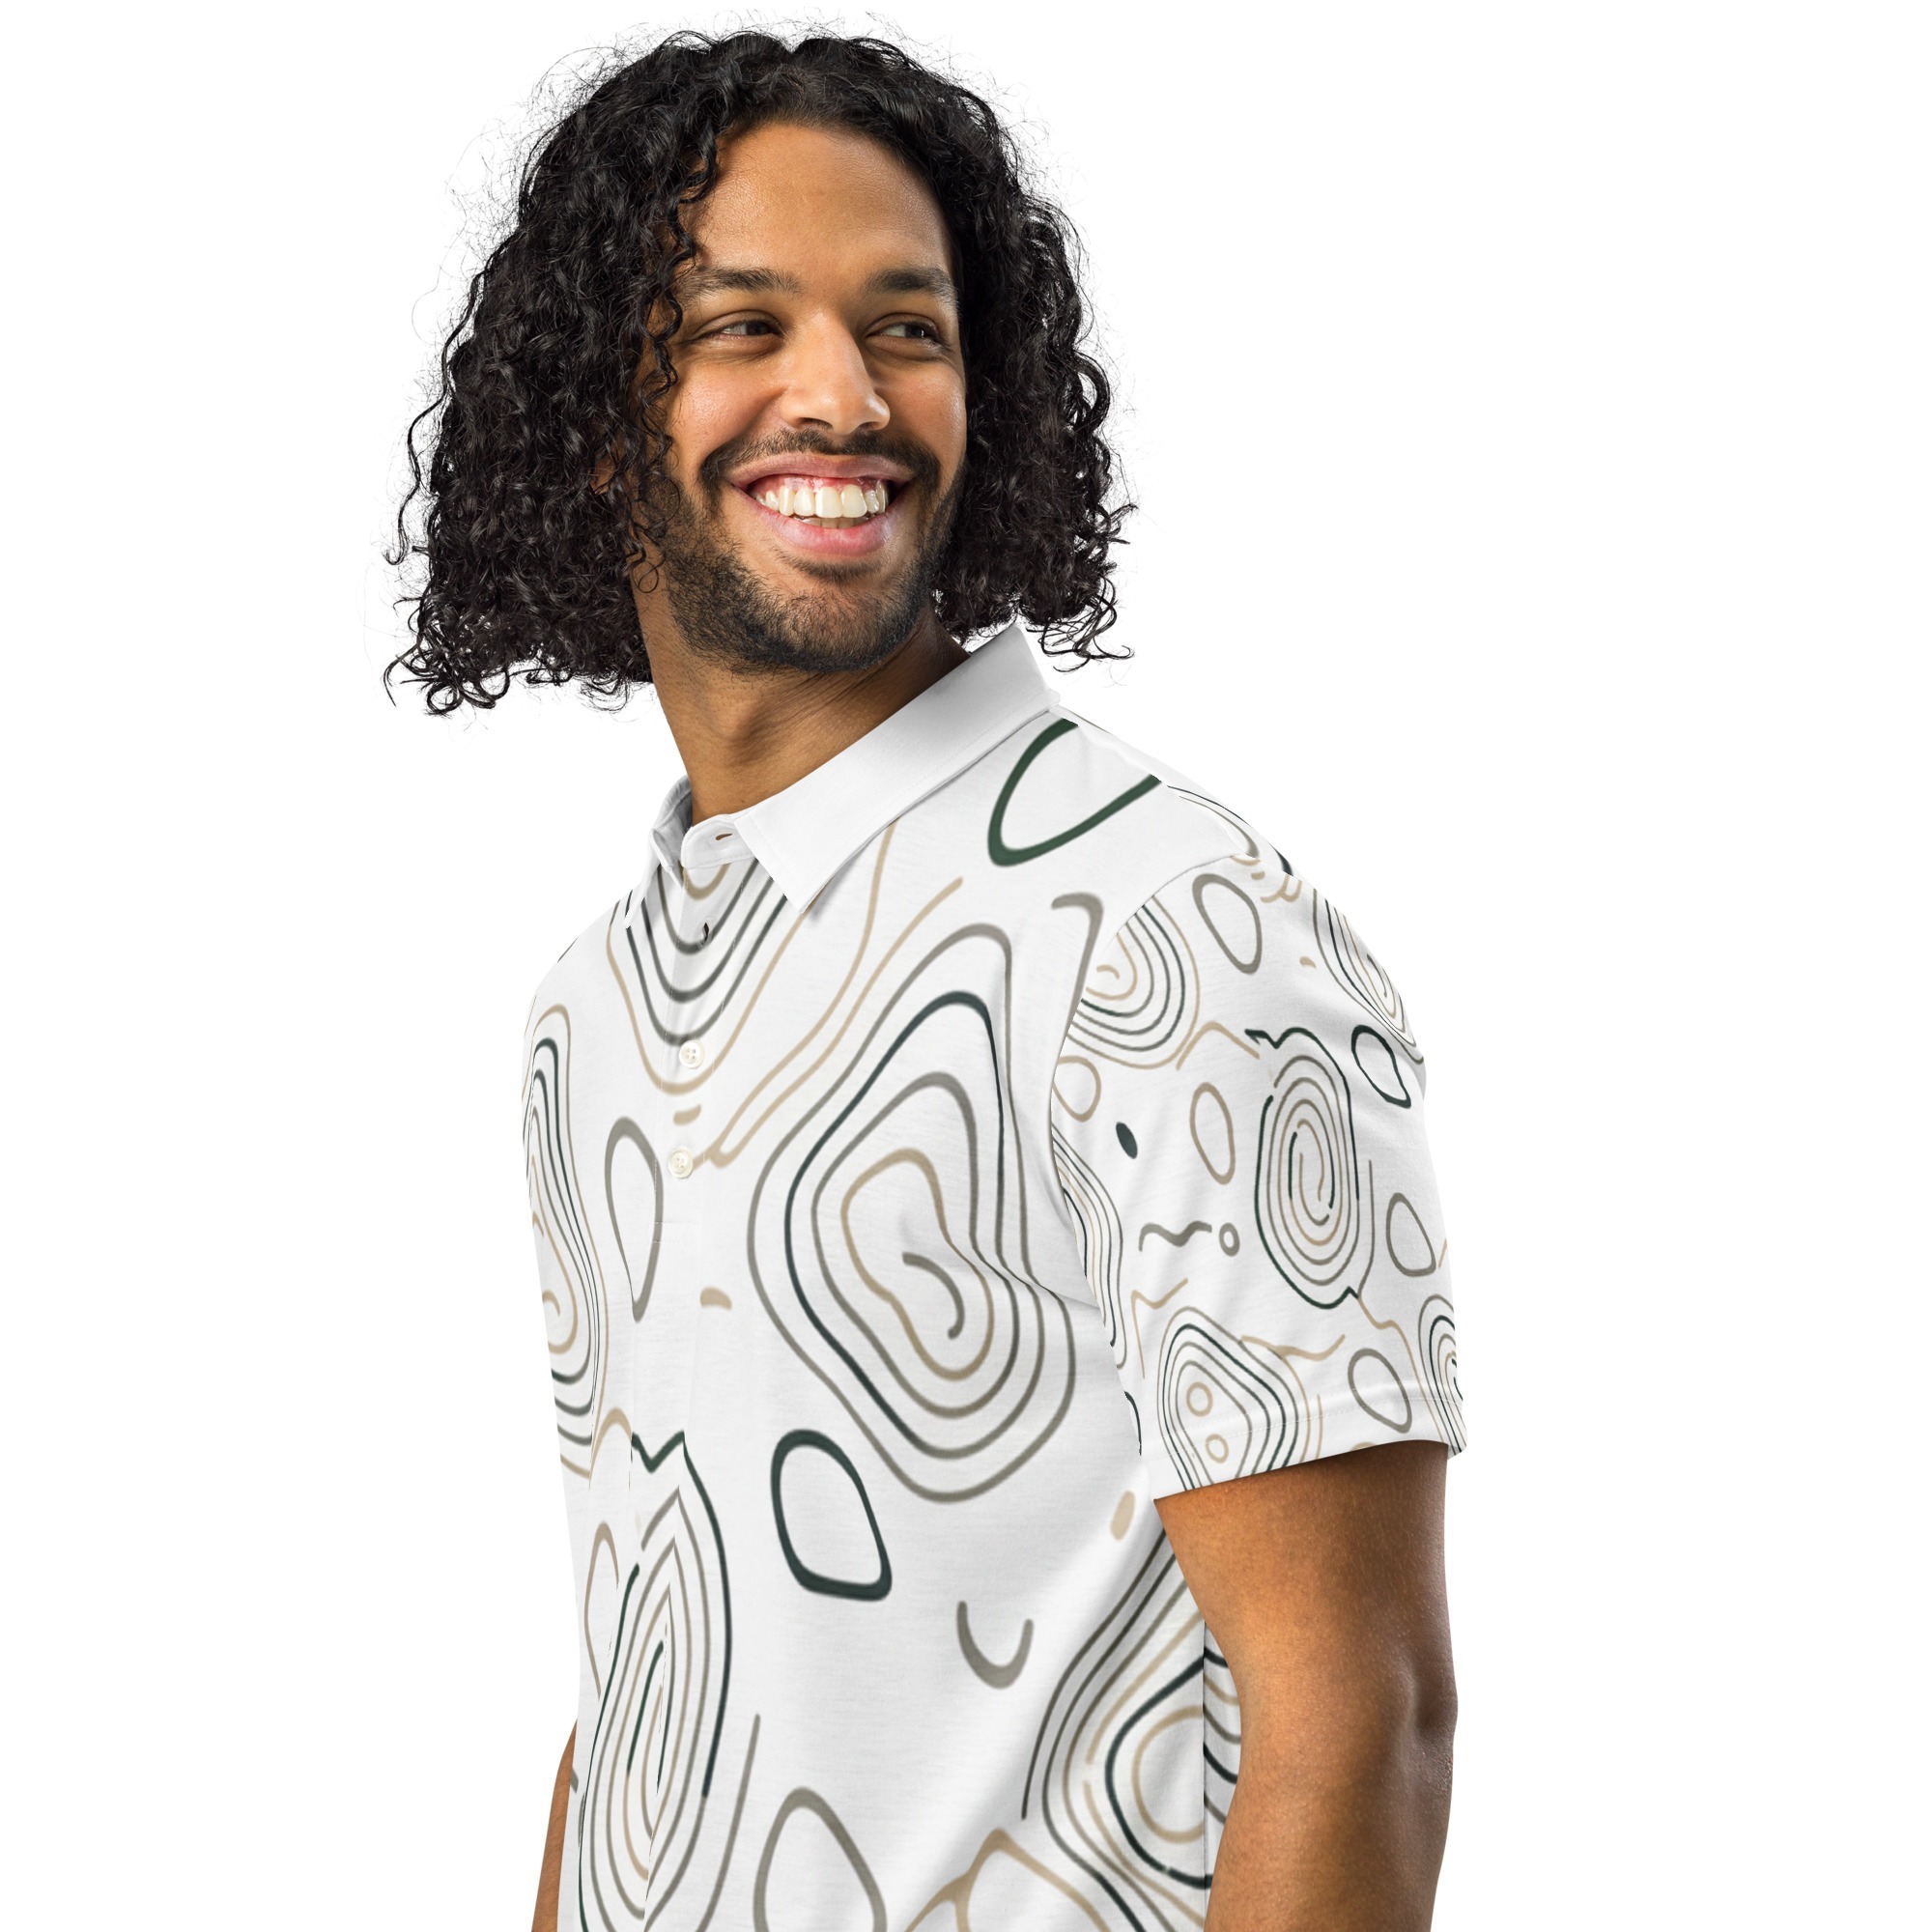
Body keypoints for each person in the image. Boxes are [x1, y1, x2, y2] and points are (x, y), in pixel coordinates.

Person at [387, 30, 1465, 1931]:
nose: (844, 396)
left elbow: (1358, 1723)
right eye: (742, 325)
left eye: (907, 329)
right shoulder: (591, 1008)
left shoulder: (1168, 928)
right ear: (591, 416)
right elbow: (648, 1692)